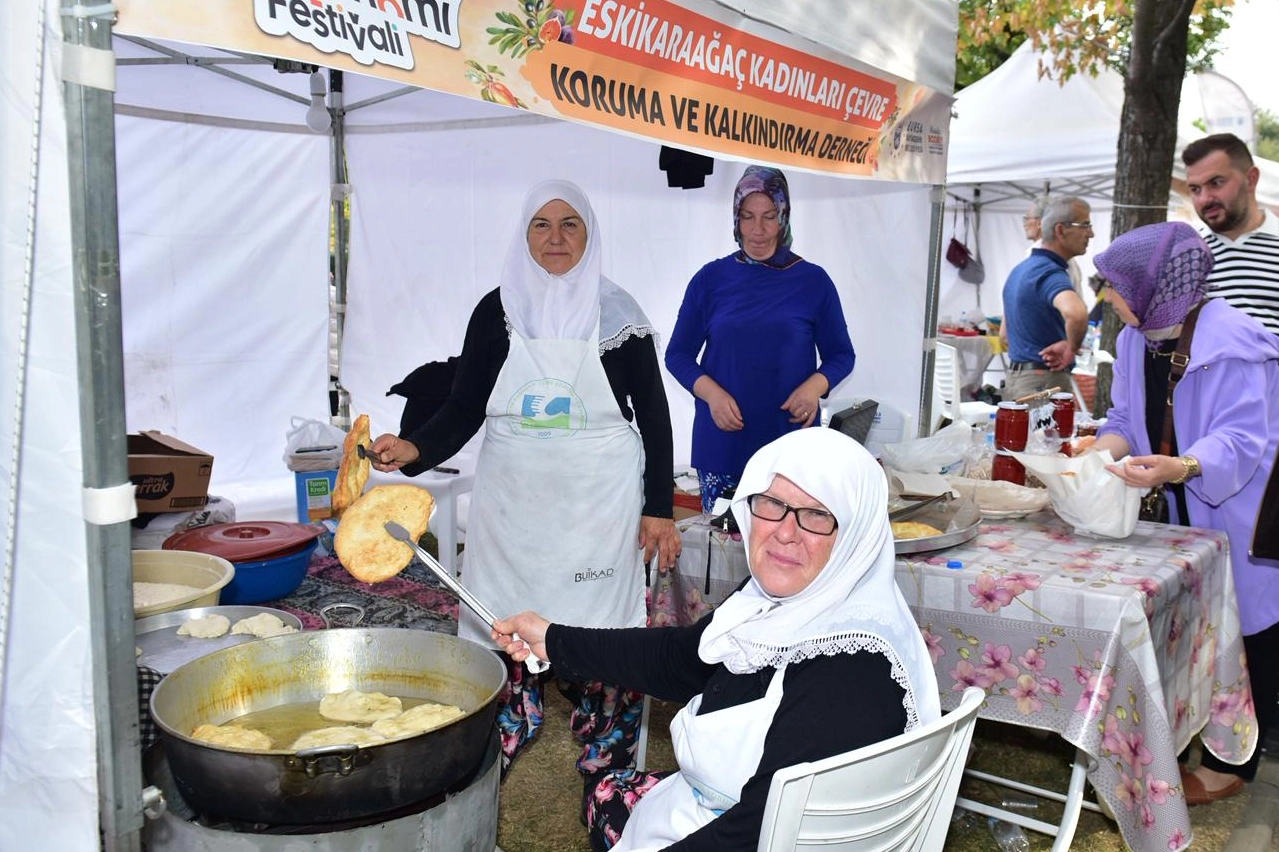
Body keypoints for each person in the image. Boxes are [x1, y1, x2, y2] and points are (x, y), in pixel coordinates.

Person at [368, 180, 682, 789]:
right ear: (524, 234)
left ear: (590, 235)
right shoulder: (495, 311)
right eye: (541, 224)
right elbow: (464, 407)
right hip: (515, 505)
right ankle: (503, 733)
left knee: (599, 624)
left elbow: (656, 416)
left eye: (571, 224)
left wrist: (659, 508)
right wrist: (414, 449)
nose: (556, 237)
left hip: (598, 503)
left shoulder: (619, 315)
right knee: (500, 616)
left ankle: (606, 760)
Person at [493, 428, 941, 851]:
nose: (785, 531)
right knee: (609, 791)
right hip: (726, 807)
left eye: (817, 515)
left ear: (855, 535)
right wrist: (552, 638)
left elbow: (759, 835)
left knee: (613, 797)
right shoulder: (784, 602)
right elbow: (679, 660)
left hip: (753, 834)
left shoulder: (849, 669)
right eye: (772, 504)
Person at [1089, 221, 1279, 804]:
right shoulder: (1133, 337)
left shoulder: (1234, 343)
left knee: (1247, 638)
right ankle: (1180, 737)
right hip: (1172, 512)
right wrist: (1088, 456)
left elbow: (1242, 440)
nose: (1106, 299)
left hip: (1237, 511)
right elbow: (1124, 420)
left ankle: (1232, 767)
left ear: (1153, 285)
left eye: (1115, 286)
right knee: (1186, 630)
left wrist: (1183, 467)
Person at [665, 166, 855, 513]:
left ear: (784, 216)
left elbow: (842, 355)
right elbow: (677, 354)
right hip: (722, 450)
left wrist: (815, 387)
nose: (758, 230)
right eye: (747, 217)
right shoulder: (710, 279)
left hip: (791, 451)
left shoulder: (813, 281)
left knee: (788, 557)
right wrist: (712, 395)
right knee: (725, 560)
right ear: (735, 219)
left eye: (769, 216)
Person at [1182, 132, 1279, 336]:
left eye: (1216, 183)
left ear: (1251, 179)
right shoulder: (1186, 257)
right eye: (1195, 189)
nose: (1204, 199)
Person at [1000, 195, 1091, 400]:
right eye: (1084, 225)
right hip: (1043, 382)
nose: (1091, 233)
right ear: (1060, 230)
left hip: (1019, 377)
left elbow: (1004, 336)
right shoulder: (1050, 272)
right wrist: (1071, 347)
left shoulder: (1021, 269)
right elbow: (1076, 314)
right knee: (1046, 434)